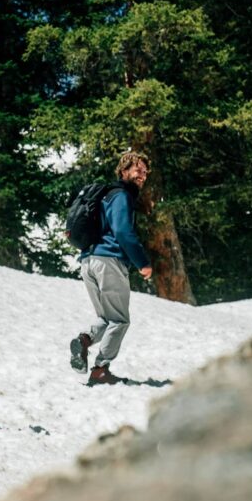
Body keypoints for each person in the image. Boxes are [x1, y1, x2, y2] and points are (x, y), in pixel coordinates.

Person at [69, 151, 153, 386]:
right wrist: (142, 262)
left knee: (106, 319)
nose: (143, 176)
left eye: (145, 172)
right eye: (138, 170)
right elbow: (123, 231)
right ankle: (100, 369)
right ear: (124, 171)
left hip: (89, 261)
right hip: (109, 261)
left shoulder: (105, 196)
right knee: (120, 320)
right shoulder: (121, 196)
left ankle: (84, 340)